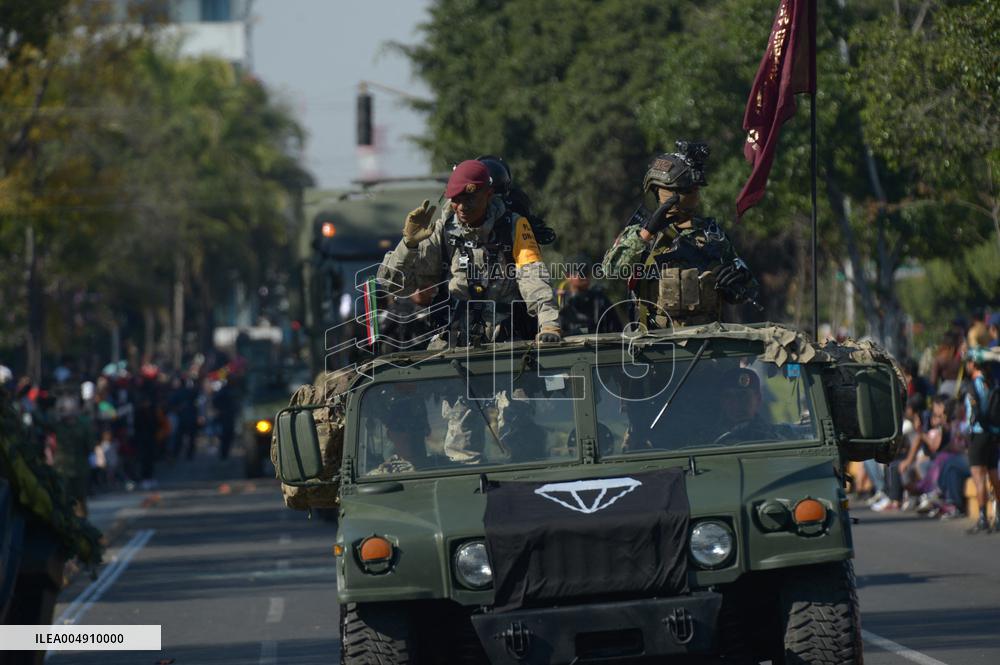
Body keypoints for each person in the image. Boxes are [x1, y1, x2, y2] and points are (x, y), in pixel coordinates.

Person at [379, 159, 560, 346]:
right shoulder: (441, 231)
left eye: (470, 199)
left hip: (507, 341)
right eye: (456, 199)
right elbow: (394, 285)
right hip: (453, 342)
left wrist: (548, 323)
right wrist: (408, 245)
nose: (462, 207)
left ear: (489, 194)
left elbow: (533, 276)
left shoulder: (514, 226)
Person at [602, 141, 758, 329]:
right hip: (657, 345)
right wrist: (647, 232)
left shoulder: (711, 235)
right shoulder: (639, 235)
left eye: (695, 190)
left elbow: (749, 289)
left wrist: (738, 280)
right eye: (687, 191)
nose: (694, 196)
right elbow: (611, 270)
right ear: (665, 192)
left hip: (708, 343)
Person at [557, 256, 624, 336]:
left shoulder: (600, 300)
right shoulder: (559, 300)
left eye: (587, 272)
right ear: (568, 275)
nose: (585, 276)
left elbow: (616, 332)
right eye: (581, 272)